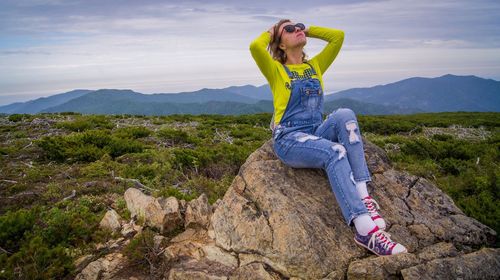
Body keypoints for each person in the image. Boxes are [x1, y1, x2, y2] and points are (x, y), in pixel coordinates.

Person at [249, 19, 407, 256]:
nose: (298, 30)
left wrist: (306, 30)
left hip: (314, 132)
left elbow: (338, 36)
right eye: (289, 30)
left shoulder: (315, 66)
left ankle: (364, 198)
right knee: (336, 151)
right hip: (290, 139)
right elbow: (254, 47)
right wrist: (271, 31)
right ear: (280, 45)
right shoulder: (276, 70)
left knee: (346, 115)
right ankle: (365, 231)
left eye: (299, 26)